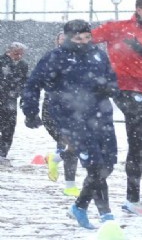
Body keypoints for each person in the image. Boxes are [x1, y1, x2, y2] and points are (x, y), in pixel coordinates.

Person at [21, 20, 119, 229]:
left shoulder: (98, 54)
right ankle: (106, 214)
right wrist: (30, 111)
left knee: (108, 163)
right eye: (78, 39)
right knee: (95, 165)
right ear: (67, 38)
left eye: (87, 38)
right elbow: (33, 83)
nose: (83, 42)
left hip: (101, 116)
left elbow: (111, 78)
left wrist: (110, 88)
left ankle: (80, 206)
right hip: (71, 118)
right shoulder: (55, 57)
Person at [91, 0, 142, 216]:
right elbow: (86, 39)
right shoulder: (117, 27)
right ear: (139, 9)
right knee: (139, 137)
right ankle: (132, 197)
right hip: (123, 87)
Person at [41, 32, 81, 196]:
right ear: (56, 41)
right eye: (62, 39)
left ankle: (56, 160)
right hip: (53, 108)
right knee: (72, 144)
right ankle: (68, 184)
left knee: (76, 146)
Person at [0, 42, 29, 166]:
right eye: (17, 53)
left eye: (22, 54)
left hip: (11, 101)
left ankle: (2, 155)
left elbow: (24, 82)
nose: (19, 56)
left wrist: (24, 98)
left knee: (9, 129)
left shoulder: (23, 65)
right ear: (9, 51)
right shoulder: (1, 61)